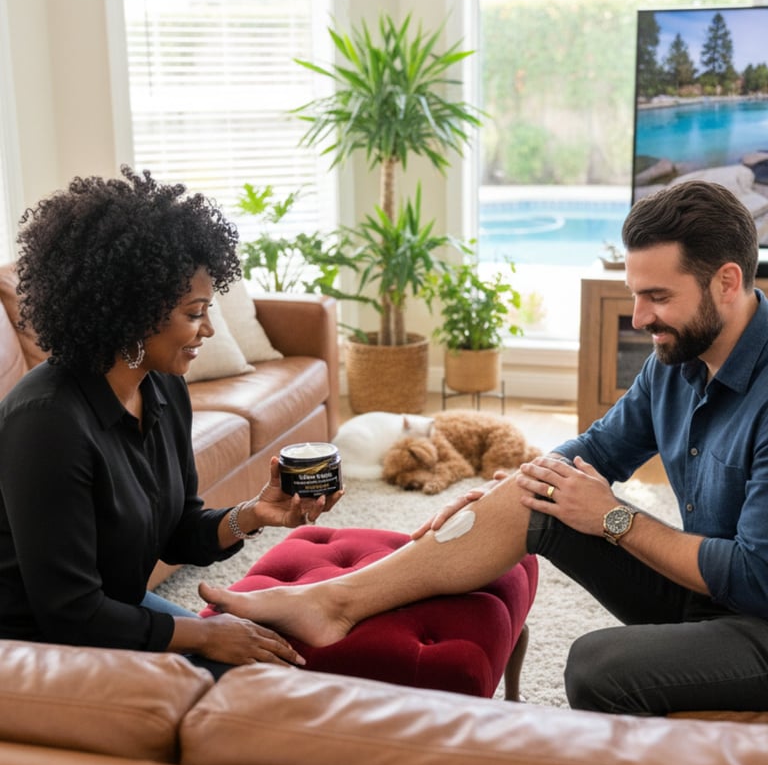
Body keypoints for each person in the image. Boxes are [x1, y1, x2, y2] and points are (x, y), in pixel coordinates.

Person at [200, 179, 768, 715]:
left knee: (596, 665)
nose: (640, 317)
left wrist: (615, 518)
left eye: (658, 297)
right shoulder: (677, 359)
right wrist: (502, 496)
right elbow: (596, 450)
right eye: (634, 294)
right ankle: (335, 601)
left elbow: (752, 576)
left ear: (726, 281)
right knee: (536, 493)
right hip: (703, 591)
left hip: (757, 614)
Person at [0, 167, 341, 678]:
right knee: (249, 691)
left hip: (114, 617)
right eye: (194, 312)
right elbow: (68, 610)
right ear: (131, 314)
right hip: (38, 647)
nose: (206, 328)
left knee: (274, 674)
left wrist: (254, 514)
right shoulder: (46, 422)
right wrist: (204, 634)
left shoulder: (163, 388)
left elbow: (180, 531)